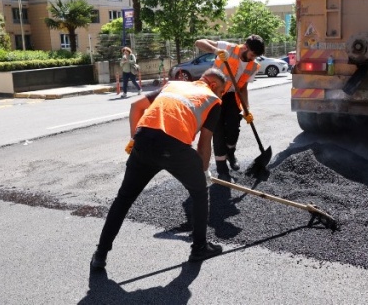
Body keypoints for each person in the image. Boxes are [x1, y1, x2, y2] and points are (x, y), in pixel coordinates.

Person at [90, 68, 228, 269]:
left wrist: (134, 139)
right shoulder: (212, 99)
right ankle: (199, 248)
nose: (220, 95)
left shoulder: (173, 85)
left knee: (124, 198)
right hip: (175, 147)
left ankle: (100, 254)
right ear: (214, 85)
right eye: (222, 91)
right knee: (199, 193)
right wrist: (204, 171)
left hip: (144, 142)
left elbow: (136, 106)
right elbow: (204, 142)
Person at [194, 35, 265, 176]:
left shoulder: (253, 65)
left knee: (233, 128)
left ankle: (231, 153)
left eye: (255, 57)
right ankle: (222, 168)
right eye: (252, 55)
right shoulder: (228, 48)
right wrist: (215, 51)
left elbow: (243, 87)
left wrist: (247, 109)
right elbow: (198, 42)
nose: (252, 59)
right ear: (245, 47)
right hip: (215, 94)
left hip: (232, 96)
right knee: (218, 130)